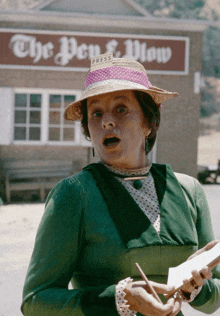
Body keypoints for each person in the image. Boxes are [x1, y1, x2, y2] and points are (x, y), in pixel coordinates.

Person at [21, 53, 220, 316]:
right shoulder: (74, 194)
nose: (107, 121)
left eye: (121, 109)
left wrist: (194, 288)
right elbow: (36, 301)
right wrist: (119, 298)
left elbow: (213, 298)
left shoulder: (189, 191)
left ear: (149, 120)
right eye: (96, 113)